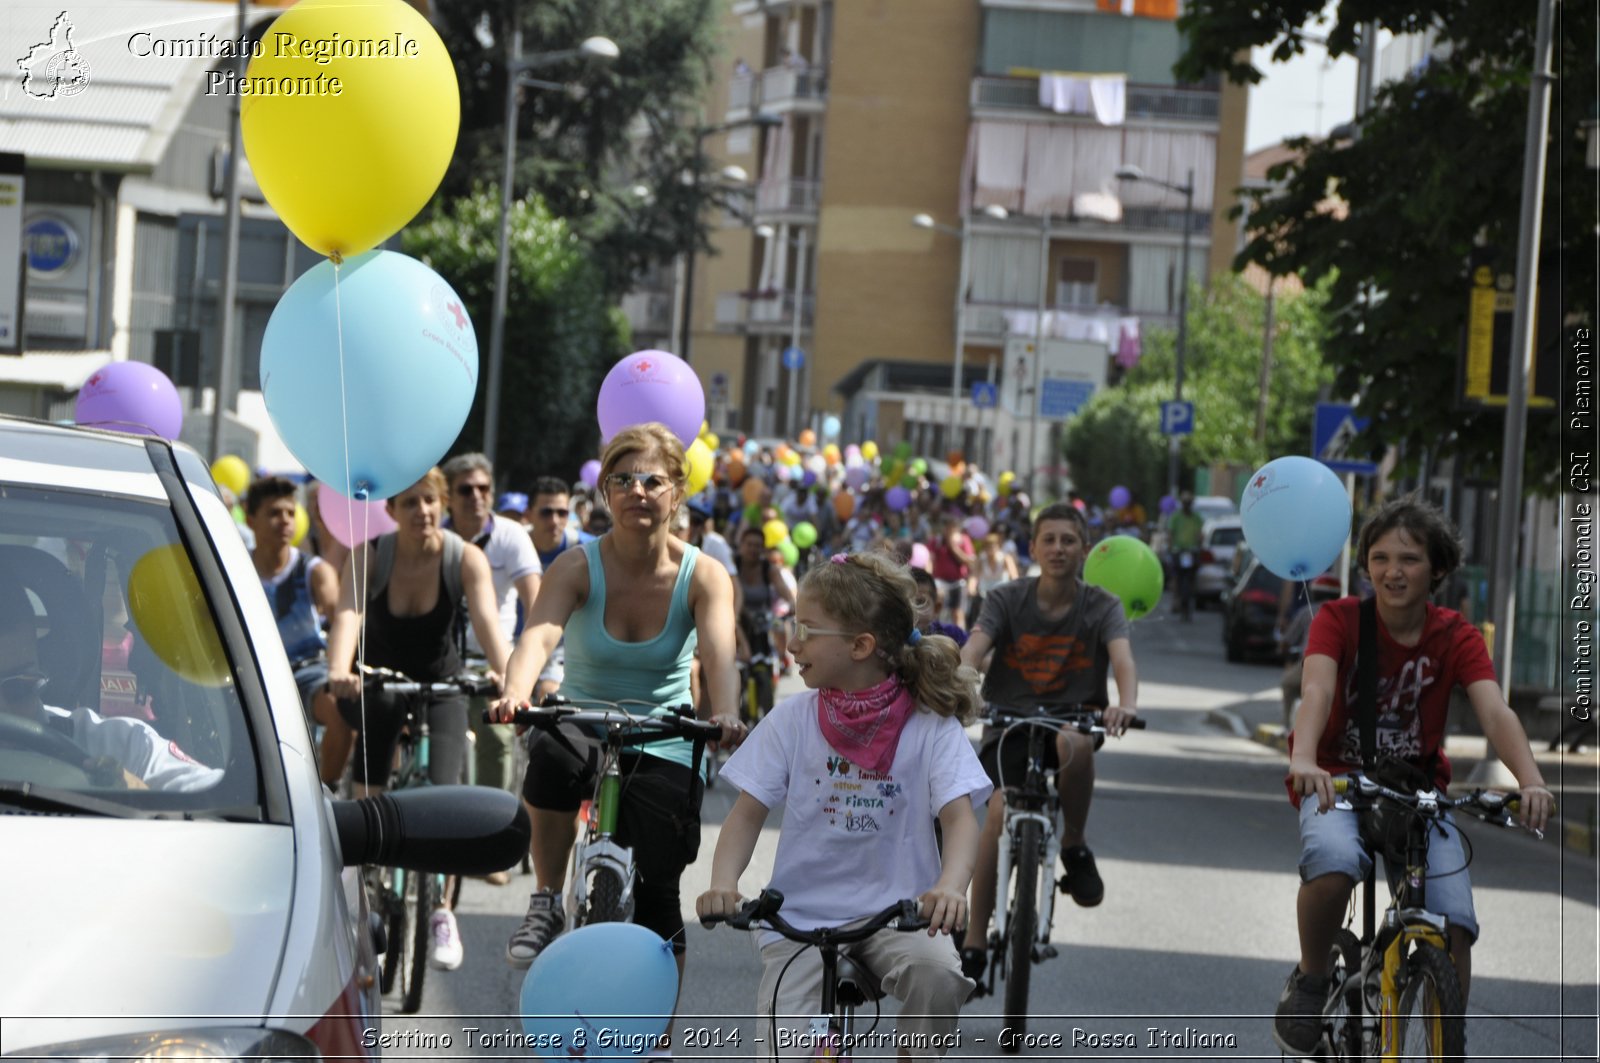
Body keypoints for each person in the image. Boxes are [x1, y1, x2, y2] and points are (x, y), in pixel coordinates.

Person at [1272, 497, 1555, 1056]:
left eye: (1408, 558)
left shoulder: (1456, 635)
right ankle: (1310, 978)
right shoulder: (1339, 620)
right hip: (1337, 782)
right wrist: (1303, 759)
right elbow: (1317, 690)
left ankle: (1448, 1040)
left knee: (1453, 921)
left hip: (1417, 793)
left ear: (1439, 569)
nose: (1392, 571)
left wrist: (1532, 780)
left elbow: (1495, 710)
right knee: (1332, 867)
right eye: (1379, 558)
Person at [696, 550, 991, 1062]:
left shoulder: (930, 726)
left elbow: (960, 819)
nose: (792, 644)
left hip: (898, 919)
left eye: (808, 630)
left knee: (939, 976)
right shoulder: (793, 719)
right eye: (793, 625)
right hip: (802, 919)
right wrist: (724, 882)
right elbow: (746, 814)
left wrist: (949, 887)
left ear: (861, 645)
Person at [488, 424, 745, 996]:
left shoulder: (702, 574)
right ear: (605, 493)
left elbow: (721, 656)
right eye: (622, 480)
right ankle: (546, 899)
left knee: (658, 895)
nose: (638, 491)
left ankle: (658, 1037)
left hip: (666, 732)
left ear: (676, 493)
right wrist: (517, 692)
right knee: (551, 757)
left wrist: (724, 711)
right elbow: (538, 636)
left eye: (653, 480)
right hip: (583, 716)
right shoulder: (577, 567)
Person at [324, 467, 511, 973]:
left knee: (446, 787)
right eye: (409, 503)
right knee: (375, 757)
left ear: (442, 503)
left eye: (430, 501)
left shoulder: (463, 558)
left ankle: (443, 912)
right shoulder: (370, 556)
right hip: (376, 682)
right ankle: (362, 885)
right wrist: (339, 669)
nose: (422, 512)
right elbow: (348, 615)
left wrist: (504, 674)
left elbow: (488, 621)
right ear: (390, 511)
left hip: (441, 685)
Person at [956, 502, 1138, 982]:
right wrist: (958, 683)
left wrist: (1126, 703)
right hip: (1010, 722)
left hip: (1072, 722)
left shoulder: (1102, 604)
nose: (1058, 548)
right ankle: (975, 940)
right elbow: (976, 646)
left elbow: (1122, 659)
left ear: (1084, 550)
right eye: (1049, 539)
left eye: (1069, 540)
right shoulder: (1005, 598)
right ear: (1033, 547)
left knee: (1073, 744)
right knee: (997, 811)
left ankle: (1073, 845)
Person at [0, 564, 223, 793]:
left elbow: (225, 804)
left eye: (20, 686)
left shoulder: (125, 749)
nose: (2, 709)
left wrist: (140, 799)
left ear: (43, 668)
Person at [441, 455, 542, 814]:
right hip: (443, 660)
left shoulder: (510, 535)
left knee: (498, 740)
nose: (476, 496)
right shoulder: (434, 533)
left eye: (484, 488)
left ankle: (491, 830)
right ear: (447, 497)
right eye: (466, 489)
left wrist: (521, 670)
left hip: (496, 661)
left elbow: (536, 604)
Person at [245, 477, 343, 782]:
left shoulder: (315, 571)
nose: (285, 521)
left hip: (306, 672)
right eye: (274, 513)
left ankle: (327, 794)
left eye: (290, 512)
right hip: (251, 676)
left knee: (342, 709)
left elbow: (341, 621)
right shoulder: (235, 567)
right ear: (251, 519)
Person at [526, 475, 590, 703]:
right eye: (546, 512)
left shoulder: (588, 549)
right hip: (513, 643)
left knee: (550, 695)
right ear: (528, 514)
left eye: (562, 513)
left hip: (565, 648)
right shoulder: (514, 545)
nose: (555, 521)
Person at [1278, 574, 1342, 729]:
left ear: (1315, 593)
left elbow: (1287, 641)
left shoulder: (1307, 611)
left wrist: (1285, 654)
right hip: (1341, 665)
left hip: (1310, 663)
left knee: (1287, 684)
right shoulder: (1344, 613)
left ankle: (1288, 728)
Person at [928, 516, 976, 626]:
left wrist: (953, 547)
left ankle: (961, 639)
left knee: (958, 613)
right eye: (946, 527)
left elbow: (969, 562)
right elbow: (930, 559)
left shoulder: (964, 540)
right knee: (937, 610)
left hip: (958, 582)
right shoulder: (936, 541)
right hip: (940, 582)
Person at [1164, 491, 1205, 621]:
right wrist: (1171, 548)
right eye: (1185, 503)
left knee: (1191, 578)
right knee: (1176, 576)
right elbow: (1170, 534)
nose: (1187, 505)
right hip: (1178, 552)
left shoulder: (1196, 517)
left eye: (1189, 503)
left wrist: (1200, 543)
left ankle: (1188, 602)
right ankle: (1176, 599)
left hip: (1191, 552)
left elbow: (1200, 534)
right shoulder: (1176, 517)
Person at [968, 530, 1019, 628]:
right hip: (984, 595)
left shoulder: (1006, 558)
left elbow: (1014, 576)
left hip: (1002, 594)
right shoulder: (981, 559)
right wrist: (971, 588)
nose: (990, 550)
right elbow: (974, 576)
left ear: (998, 546)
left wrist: (1014, 590)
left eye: (992, 546)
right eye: (987, 547)